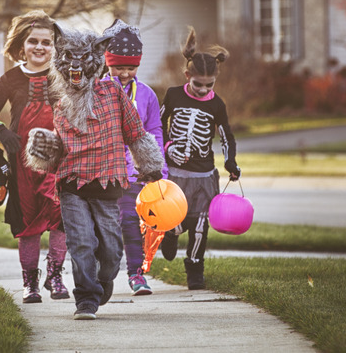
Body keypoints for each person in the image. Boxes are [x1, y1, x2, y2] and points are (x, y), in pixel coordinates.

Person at [24, 22, 165, 320]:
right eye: (69, 65)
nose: (75, 71)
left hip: (108, 183)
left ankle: (103, 281)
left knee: (112, 251)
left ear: (95, 62)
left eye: (82, 64)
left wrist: (151, 167)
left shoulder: (113, 92)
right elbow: (59, 148)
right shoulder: (61, 102)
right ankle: (86, 299)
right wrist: (44, 149)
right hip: (72, 185)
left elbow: (135, 132)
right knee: (82, 242)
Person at [0, 10, 69, 304]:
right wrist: (1, 131)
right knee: (27, 222)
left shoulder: (64, 75)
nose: (40, 47)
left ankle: (55, 275)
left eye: (47, 42)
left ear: (55, 46)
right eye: (33, 41)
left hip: (59, 159)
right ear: (22, 45)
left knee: (60, 219)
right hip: (21, 163)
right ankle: (29, 282)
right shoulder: (11, 79)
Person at [159, 27, 241, 290]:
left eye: (210, 85)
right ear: (187, 76)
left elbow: (226, 135)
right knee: (176, 219)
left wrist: (231, 162)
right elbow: (157, 126)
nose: (203, 90)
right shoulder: (173, 95)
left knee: (200, 224)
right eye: (198, 84)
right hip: (175, 174)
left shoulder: (216, 104)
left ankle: (195, 267)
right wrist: (168, 147)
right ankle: (170, 234)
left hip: (204, 175)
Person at [101, 19, 167, 296]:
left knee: (130, 223)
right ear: (107, 63)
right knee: (103, 228)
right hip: (101, 173)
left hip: (133, 174)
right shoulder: (96, 90)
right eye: (118, 67)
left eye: (131, 67)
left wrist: (158, 170)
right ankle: (101, 275)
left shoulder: (147, 95)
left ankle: (136, 274)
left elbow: (154, 132)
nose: (125, 73)